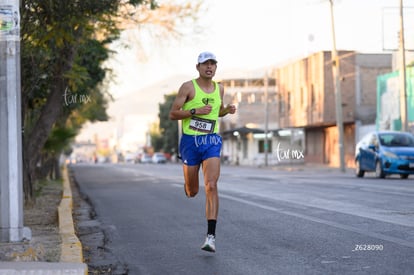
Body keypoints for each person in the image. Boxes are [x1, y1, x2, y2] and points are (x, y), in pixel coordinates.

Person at [169, 51, 236, 253]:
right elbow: (173, 114)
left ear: (216, 67)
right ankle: (189, 182)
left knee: (212, 185)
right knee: (192, 191)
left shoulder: (220, 88)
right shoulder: (188, 87)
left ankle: (210, 237)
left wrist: (227, 110)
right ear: (197, 67)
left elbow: (218, 111)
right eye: (205, 64)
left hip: (211, 140)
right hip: (190, 142)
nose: (209, 67)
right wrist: (194, 111)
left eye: (212, 64)